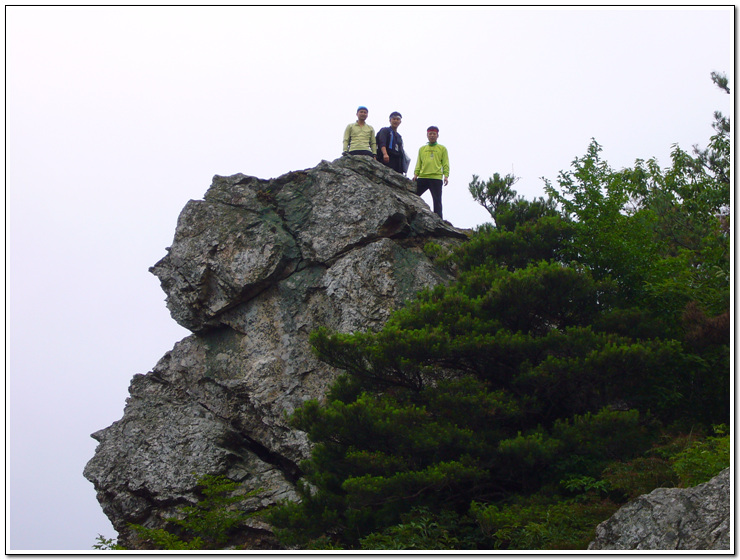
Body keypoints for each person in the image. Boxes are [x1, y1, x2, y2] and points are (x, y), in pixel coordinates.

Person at [413, 126, 449, 219]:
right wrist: (416, 174)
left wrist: (446, 175)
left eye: (434, 134)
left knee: (437, 201)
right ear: (427, 135)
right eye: (430, 134)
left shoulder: (442, 148)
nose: (432, 136)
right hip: (423, 176)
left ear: (437, 135)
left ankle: (439, 221)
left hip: (436, 178)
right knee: (414, 195)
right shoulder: (422, 149)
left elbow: (445, 163)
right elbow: (418, 162)